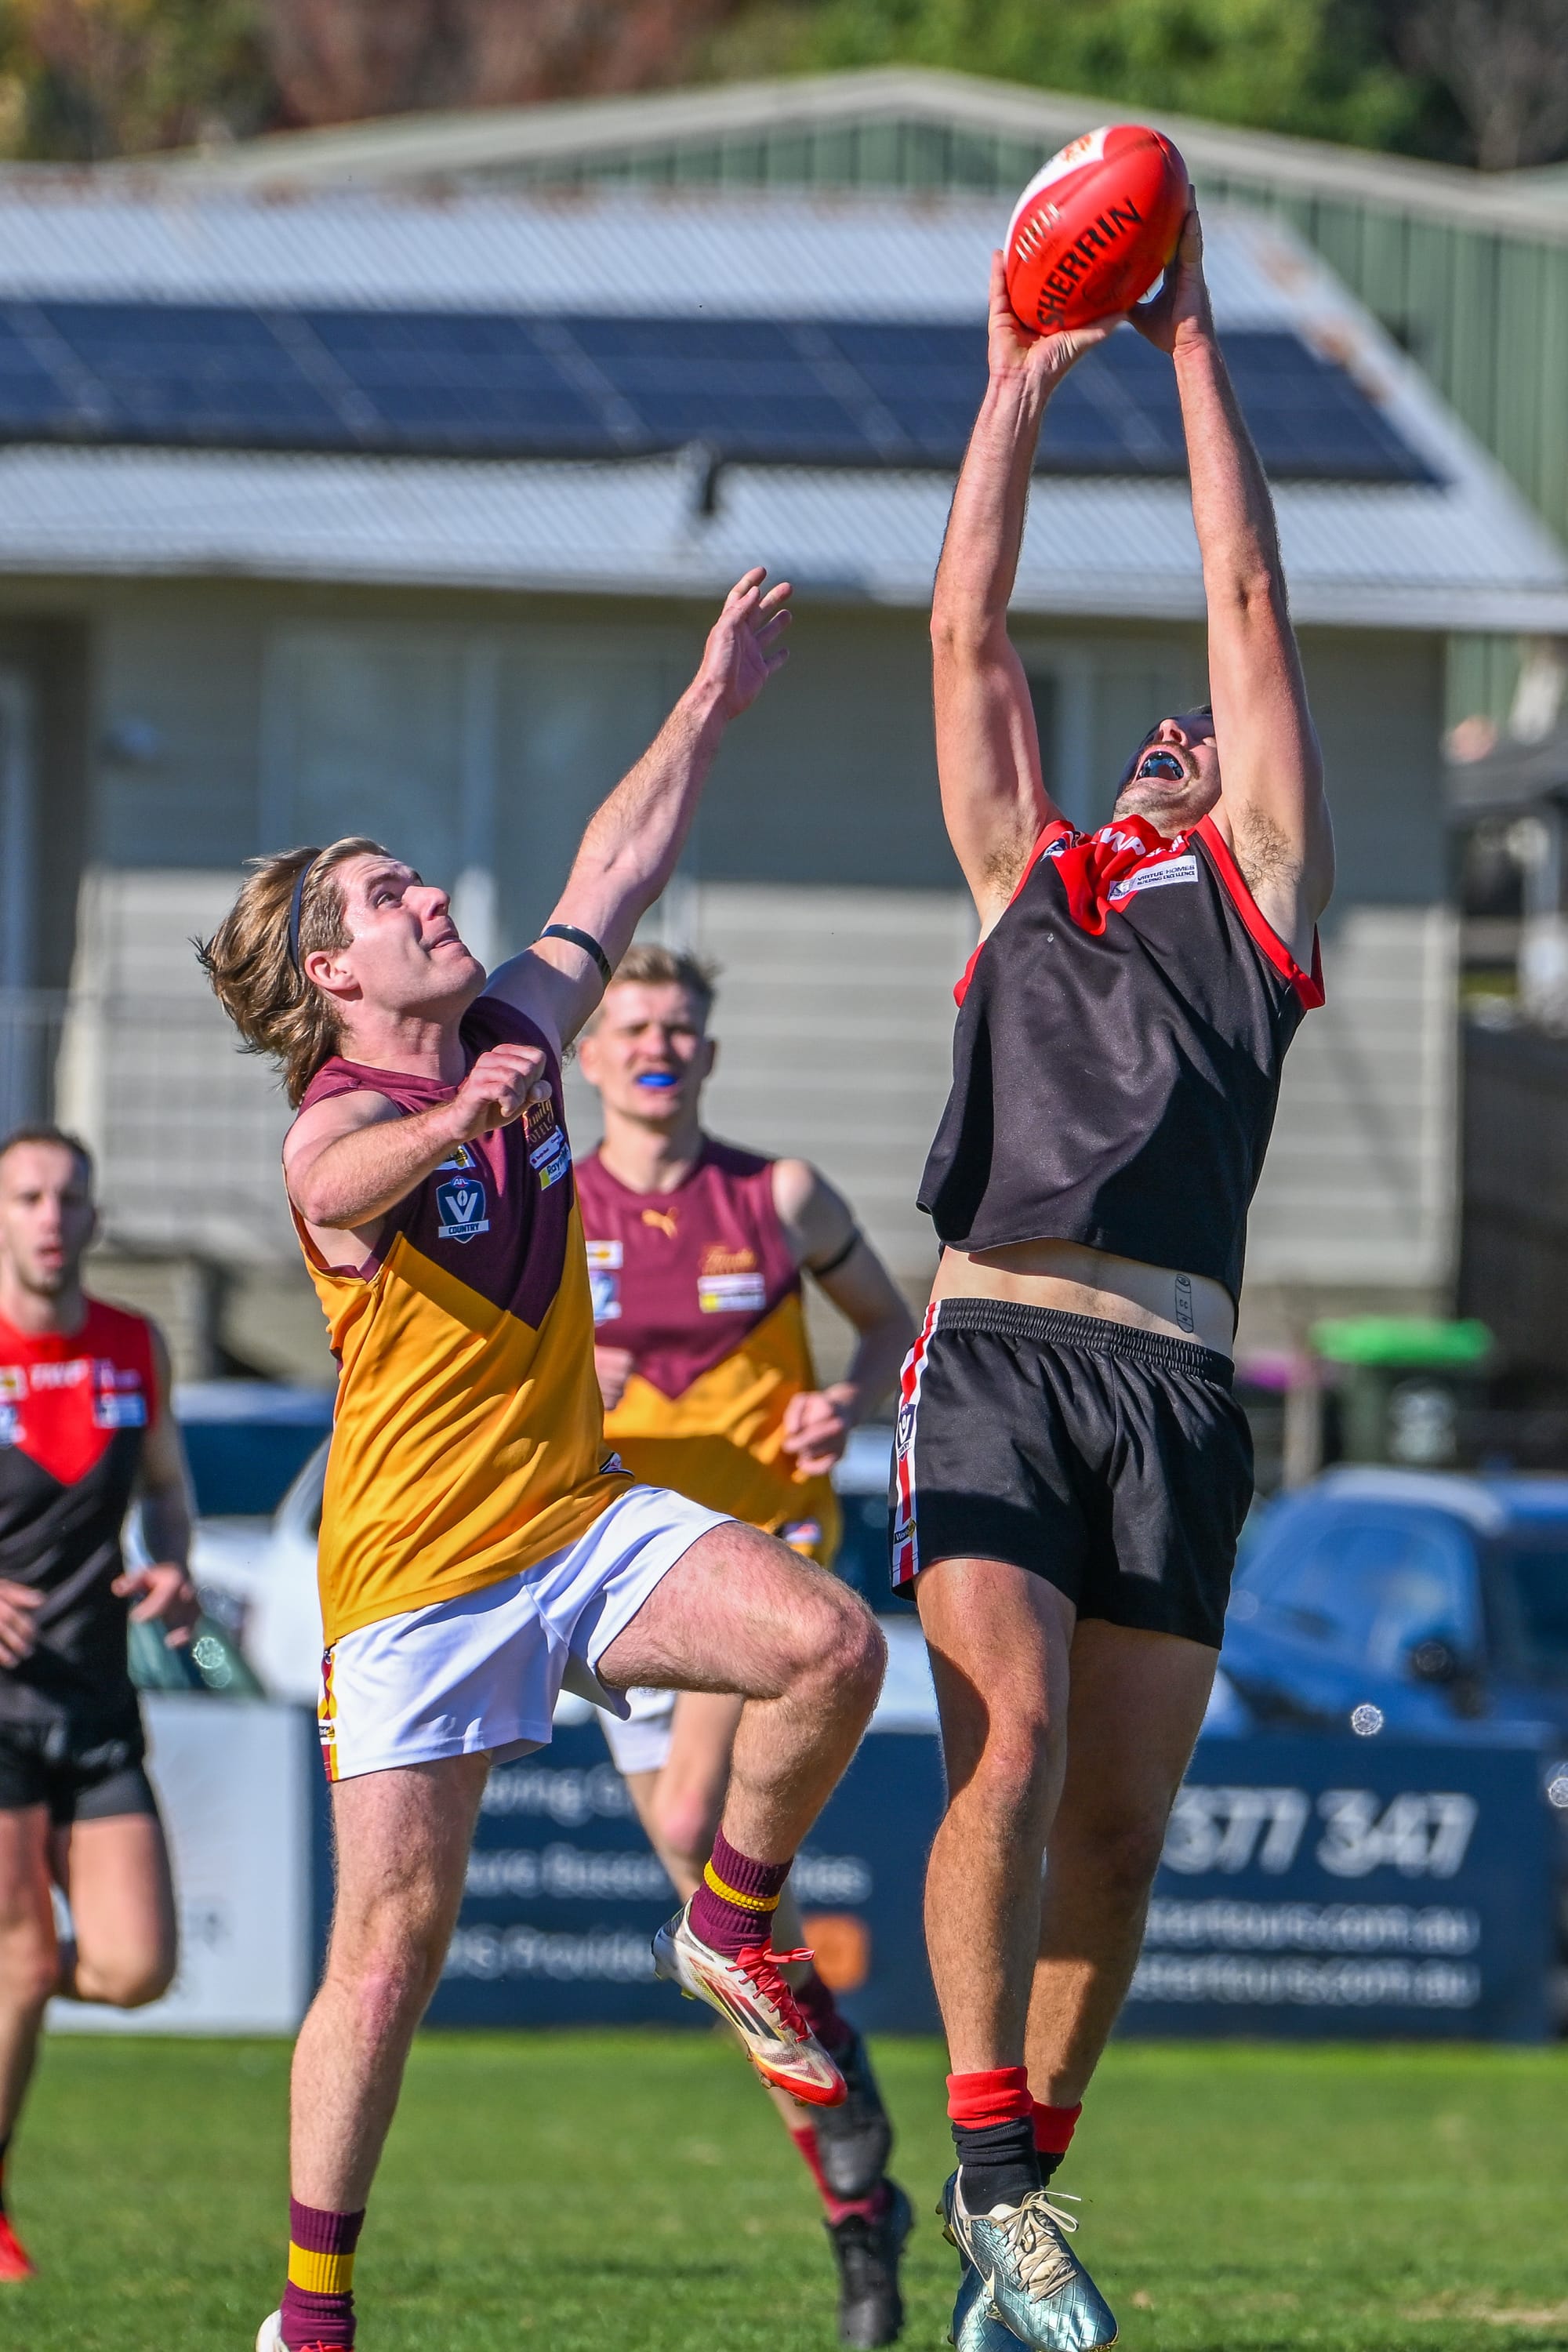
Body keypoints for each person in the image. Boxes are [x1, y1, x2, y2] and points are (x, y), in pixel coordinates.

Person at [197, 568, 888, 2352]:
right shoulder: (350, 1115)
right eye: (383, 896)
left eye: (412, 877)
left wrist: (711, 701)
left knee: (829, 1647)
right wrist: (452, 1120)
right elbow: (330, 1190)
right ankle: (312, 2316)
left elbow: (616, 867)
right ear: (328, 975)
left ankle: (727, 1928)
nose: (427, 895)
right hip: (417, 1579)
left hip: (578, 1526)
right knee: (388, 1957)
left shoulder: (511, 1028)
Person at [898, 209, 1334, 2352]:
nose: (1178, 732)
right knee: (1014, 1736)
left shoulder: (1254, 898)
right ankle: (990, 2177)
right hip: (991, 1352)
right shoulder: (1027, 875)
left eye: (1200, 731)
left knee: (1121, 1836)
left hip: (1175, 1395)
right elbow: (967, 631)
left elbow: (1245, 590)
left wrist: (1191, 340)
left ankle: (1016, 2220)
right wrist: (1018, 373)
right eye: (1153, 734)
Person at [575, 943, 917, 2348]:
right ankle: (857, 2202)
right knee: (740, 1948)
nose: (659, 1045)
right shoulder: (548, 1208)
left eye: (682, 1027)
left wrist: (843, 1405)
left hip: (764, 1561)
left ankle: (855, 2205)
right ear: (590, 1055)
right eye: (635, 1025)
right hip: (612, 1590)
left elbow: (894, 1330)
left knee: (708, 1825)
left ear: (710, 1055)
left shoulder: (776, 1195)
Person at [0, 1126, 198, 2284]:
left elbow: (167, 1492)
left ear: (94, 1218)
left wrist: (171, 1562)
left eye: (69, 1197)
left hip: (96, 1697)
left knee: (136, 1967)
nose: (49, 1217)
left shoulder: (134, 1344)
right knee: (22, 1958)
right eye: (27, 1196)